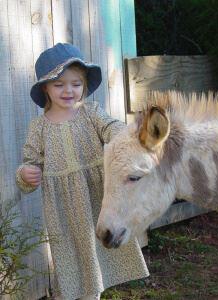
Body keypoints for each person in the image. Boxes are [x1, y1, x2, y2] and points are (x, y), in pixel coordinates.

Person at [16, 43, 149, 300]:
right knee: (71, 255)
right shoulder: (39, 127)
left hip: (96, 196)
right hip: (63, 208)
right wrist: (25, 173)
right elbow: (30, 160)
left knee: (100, 250)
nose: (68, 91)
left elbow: (111, 127)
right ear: (45, 87)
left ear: (84, 84)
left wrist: (127, 135)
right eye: (59, 84)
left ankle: (93, 294)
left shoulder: (91, 113)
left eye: (76, 84)